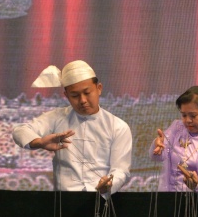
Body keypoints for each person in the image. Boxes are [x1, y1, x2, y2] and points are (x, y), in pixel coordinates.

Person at [12, 60, 132, 194]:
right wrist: (39, 142)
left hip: (100, 199)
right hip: (64, 199)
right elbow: (20, 130)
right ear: (66, 96)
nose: (82, 100)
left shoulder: (118, 127)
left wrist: (110, 184)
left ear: (99, 88)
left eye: (87, 93)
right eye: (75, 95)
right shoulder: (57, 117)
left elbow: (121, 170)